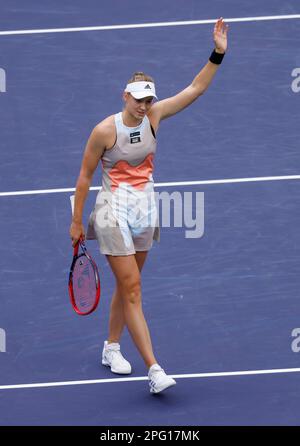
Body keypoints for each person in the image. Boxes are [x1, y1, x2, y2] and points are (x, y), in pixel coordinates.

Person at [70, 18, 228, 394]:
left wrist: (218, 53)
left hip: (145, 210)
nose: (145, 106)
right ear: (124, 96)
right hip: (111, 212)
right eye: (139, 99)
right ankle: (154, 369)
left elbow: (195, 89)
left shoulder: (155, 117)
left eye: (149, 100)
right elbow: (83, 178)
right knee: (134, 288)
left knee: (128, 288)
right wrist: (77, 222)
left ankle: (111, 347)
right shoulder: (104, 131)